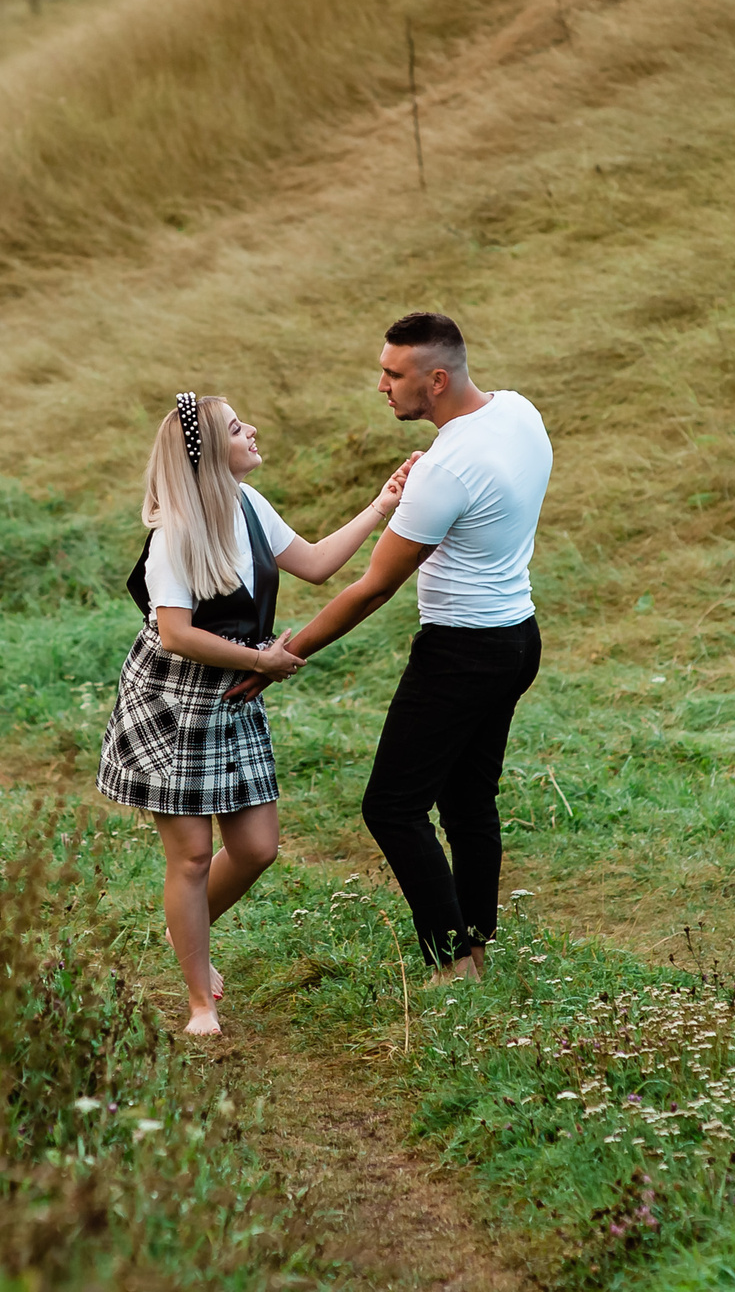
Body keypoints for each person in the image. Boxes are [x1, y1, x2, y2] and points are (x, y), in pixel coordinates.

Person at [232, 313, 551, 981]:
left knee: (392, 807)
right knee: (469, 800)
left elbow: (373, 589)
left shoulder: (446, 468)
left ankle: (451, 962)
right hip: (518, 639)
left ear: (436, 380)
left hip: (461, 654)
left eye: (394, 374)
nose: (381, 385)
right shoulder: (519, 412)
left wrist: (287, 654)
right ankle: (478, 947)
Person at [101, 391, 415, 1036]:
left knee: (256, 848)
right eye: (239, 428)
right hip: (172, 697)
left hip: (234, 689)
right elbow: (175, 633)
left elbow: (317, 565)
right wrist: (265, 663)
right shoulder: (175, 537)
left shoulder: (249, 506)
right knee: (190, 857)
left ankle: (183, 932)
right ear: (213, 451)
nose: (254, 431)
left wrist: (382, 507)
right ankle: (200, 1003)